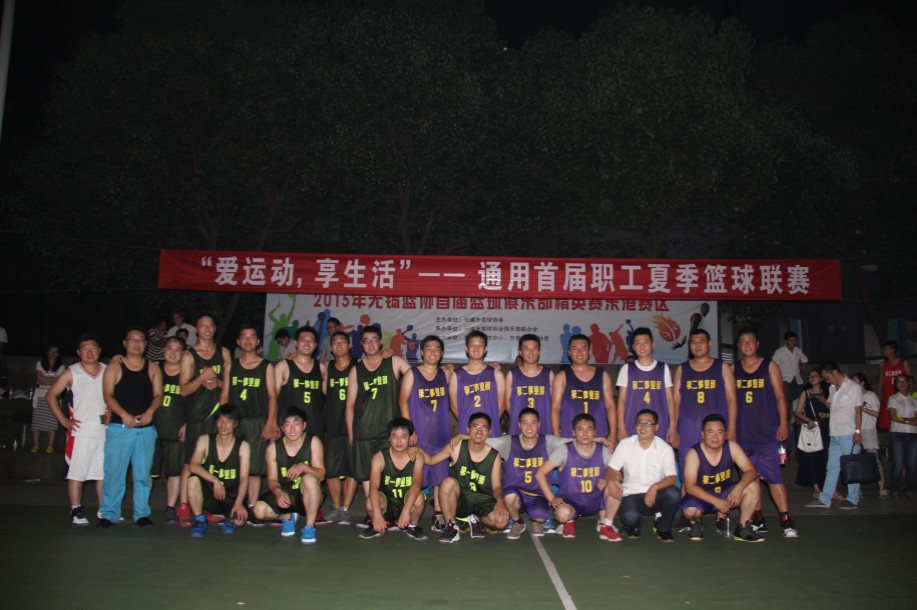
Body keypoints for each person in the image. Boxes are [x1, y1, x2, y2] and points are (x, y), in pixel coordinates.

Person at [732, 328, 798, 537]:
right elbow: (729, 401)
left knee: (774, 478)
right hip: (742, 435)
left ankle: (786, 520)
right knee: (750, 480)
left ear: (757, 343)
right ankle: (758, 518)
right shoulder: (733, 369)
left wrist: (783, 423)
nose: (747, 344)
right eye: (743, 341)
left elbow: (780, 397)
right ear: (738, 346)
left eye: (751, 340)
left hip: (767, 434)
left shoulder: (769, 366)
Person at [346, 325, 412, 526]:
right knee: (367, 475)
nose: (370, 344)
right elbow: (349, 404)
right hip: (363, 431)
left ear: (381, 342)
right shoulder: (356, 369)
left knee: (388, 474)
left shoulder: (393, 362)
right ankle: (372, 512)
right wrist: (351, 432)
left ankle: (391, 512)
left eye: (374, 339)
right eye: (366, 341)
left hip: (389, 433)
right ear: (361, 344)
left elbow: (416, 375)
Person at [98, 326, 163, 527]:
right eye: (132, 339)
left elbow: (159, 395)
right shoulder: (115, 367)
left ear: (146, 344)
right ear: (125, 343)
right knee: (114, 474)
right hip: (120, 429)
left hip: (145, 430)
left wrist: (150, 412)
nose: (136, 343)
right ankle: (109, 513)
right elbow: (108, 395)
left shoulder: (153, 368)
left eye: (140, 339)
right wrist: (123, 415)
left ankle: (142, 513)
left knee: (143, 475)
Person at [46, 333, 107, 526]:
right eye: (85, 348)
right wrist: (63, 420)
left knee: (102, 473)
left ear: (99, 350)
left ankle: (105, 509)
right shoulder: (71, 372)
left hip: (104, 432)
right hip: (80, 432)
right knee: (76, 473)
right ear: (78, 352)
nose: (89, 352)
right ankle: (76, 509)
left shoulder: (108, 370)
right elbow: (51, 395)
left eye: (93, 348)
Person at [176, 313, 231, 527]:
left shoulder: (223, 352)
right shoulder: (189, 355)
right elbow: (183, 390)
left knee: (215, 463)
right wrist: (201, 378)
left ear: (215, 328)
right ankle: (183, 506)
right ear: (196, 329)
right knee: (191, 463)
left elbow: (230, 384)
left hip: (218, 417)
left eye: (210, 325)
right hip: (197, 417)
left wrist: (217, 382)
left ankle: (211, 507)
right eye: (202, 325)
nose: (206, 329)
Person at [221, 323, 279, 519]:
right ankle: (230, 506)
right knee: (232, 466)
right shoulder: (231, 365)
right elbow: (225, 395)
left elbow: (272, 396)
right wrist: (222, 420)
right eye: (244, 337)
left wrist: (270, 423)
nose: (248, 340)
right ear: (238, 341)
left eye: (252, 336)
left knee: (254, 469)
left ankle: (253, 507)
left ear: (258, 341)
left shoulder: (266, 366)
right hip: (234, 421)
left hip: (256, 421)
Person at [486, 407, 569, 539]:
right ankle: (517, 522)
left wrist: (599, 440)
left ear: (539, 425)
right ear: (519, 425)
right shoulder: (509, 442)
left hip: (538, 493)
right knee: (510, 498)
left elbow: (574, 442)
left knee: (540, 517)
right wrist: (462, 437)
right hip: (515, 492)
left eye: (533, 423)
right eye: (525, 423)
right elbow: (481, 440)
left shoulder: (548, 442)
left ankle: (537, 521)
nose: (529, 427)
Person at [427, 412, 509, 543]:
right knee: (447, 483)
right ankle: (451, 526)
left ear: (489, 432)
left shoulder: (494, 456)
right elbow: (431, 460)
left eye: (484, 428)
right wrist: (415, 449)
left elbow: (497, 487)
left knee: (501, 522)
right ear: (468, 429)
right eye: (475, 426)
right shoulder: (456, 447)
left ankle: (476, 519)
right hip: (461, 499)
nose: (479, 431)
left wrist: (500, 502)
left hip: (482, 499)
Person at [399, 334, 453, 532]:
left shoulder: (446, 374)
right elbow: (402, 400)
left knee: (440, 479)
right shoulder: (412, 374)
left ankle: (438, 515)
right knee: (416, 480)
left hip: (441, 435)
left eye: (436, 349)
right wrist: (409, 430)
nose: (432, 352)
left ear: (441, 353)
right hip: (418, 436)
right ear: (421, 352)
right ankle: (410, 513)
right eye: (428, 348)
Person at [681, 414, 763, 542]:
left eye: (719, 432)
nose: (715, 437)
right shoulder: (694, 453)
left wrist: (739, 488)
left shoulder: (732, 447)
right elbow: (690, 487)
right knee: (690, 511)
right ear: (703, 434)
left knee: (753, 487)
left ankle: (743, 527)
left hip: (725, 494)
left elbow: (751, 471)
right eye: (710, 432)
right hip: (702, 497)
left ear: (725, 434)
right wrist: (716, 501)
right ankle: (696, 522)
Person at [252, 407, 325, 544]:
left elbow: (321, 475)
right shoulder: (273, 449)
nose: (292, 429)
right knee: (259, 511)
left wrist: (304, 467)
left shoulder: (313, 442)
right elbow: (272, 480)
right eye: (288, 424)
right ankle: (288, 517)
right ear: (282, 428)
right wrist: (278, 493)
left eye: (296, 424)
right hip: (286, 492)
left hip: (308, 491)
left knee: (309, 478)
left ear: (304, 425)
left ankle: (309, 527)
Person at [605, 409, 680, 542]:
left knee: (673, 494)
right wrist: (611, 482)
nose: (643, 427)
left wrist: (654, 487)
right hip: (631, 493)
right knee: (630, 517)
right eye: (640, 423)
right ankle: (635, 524)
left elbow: (672, 478)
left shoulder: (664, 448)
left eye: (648, 423)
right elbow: (612, 469)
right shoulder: (625, 444)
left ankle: (664, 528)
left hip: (656, 495)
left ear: (656, 427)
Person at [536, 413, 613, 540]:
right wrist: (551, 498)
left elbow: (617, 473)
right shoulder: (564, 450)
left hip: (595, 498)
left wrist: (606, 478)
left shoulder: (603, 451)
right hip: (572, 500)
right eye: (580, 429)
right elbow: (540, 473)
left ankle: (605, 523)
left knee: (613, 485)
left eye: (589, 429)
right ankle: (569, 521)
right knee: (562, 514)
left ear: (594, 432)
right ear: (573, 432)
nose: (585, 433)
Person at [672, 329, 738, 475]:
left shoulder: (722, 367)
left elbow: (732, 399)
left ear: (709, 344)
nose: (697, 345)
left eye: (701, 342)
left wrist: (732, 427)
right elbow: (675, 402)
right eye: (693, 342)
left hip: (715, 430)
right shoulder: (682, 369)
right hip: (688, 429)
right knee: (688, 472)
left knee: (716, 471)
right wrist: (674, 428)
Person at [805, 363, 863, 509]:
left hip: (848, 433)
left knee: (851, 466)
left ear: (835, 372)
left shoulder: (853, 387)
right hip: (835, 433)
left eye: (827, 377)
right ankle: (825, 498)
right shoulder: (832, 388)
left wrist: (857, 432)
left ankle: (853, 498)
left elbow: (858, 411)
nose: (827, 381)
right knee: (832, 467)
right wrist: (826, 405)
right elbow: (833, 407)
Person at [186, 404, 250, 537]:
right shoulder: (205, 440)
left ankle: (228, 517)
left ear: (235, 424)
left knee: (239, 521)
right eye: (220, 419)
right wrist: (215, 480)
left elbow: (244, 478)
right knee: (192, 480)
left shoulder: (243, 446)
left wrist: (239, 503)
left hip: (231, 496)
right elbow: (193, 465)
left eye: (228, 420)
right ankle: (199, 520)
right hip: (212, 493)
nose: (223, 424)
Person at [360, 417, 427, 540]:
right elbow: (373, 486)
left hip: (406, 502)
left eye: (403, 436)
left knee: (419, 497)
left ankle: (412, 526)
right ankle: (377, 523)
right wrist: (377, 514)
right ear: (389, 438)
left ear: (410, 438)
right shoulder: (379, 457)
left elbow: (417, 484)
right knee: (369, 502)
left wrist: (406, 511)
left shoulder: (418, 457)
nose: (399, 441)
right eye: (395, 436)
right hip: (386, 502)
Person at [551, 334, 615, 444]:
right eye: (575, 349)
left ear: (589, 352)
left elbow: (610, 406)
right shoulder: (561, 377)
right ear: (569, 352)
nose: (579, 353)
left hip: (598, 435)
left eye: (583, 349)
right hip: (570, 437)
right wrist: (556, 435)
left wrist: (613, 434)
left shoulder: (602, 375)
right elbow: (555, 408)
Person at [616, 328, 676, 444]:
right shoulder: (627, 369)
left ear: (653, 344)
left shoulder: (663, 368)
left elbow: (670, 399)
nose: (642, 346)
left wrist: (673, 426)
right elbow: (622, 400)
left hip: (659, 426)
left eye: (646, 342)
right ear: (633, 347)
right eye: (638, 343)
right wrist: (621, 427)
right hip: (632, 426)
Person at [323, 330, 358, 524]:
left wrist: (387, 353)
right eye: (334, 342)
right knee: (331, 469)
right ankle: (336, 506)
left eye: (342, 341)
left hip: (354, 427)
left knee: (353, 469)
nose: (338, 345)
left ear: (350, 346)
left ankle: (345, 508)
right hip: (333, 426)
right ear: (330, 348)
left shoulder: (358, 365)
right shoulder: (326, 368)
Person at [153, 336, 188, 524]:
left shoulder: (188, 373)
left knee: (174, 473)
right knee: (147, 472)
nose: (173, 353)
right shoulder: (153, 369)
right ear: (163, 350)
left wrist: (188, 424)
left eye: (177, 349)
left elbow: (195, 402)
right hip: (151, 430)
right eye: (169, 348)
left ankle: (170, 507)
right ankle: (142, 508)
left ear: (183, 353)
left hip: (175, 433)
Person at [449, 330, 505, 439]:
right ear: (466, 348)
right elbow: (454, 407)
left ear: (485, 349)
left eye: (480, 345)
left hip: (491, 431)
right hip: (466, 431)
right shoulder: (457, 375)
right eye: (472, 345)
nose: (476, 348)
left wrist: (487, 426)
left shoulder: (496, 374)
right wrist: (468, 424)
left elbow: (501, 406)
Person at [505, 334, 554, 435]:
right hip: (518, 429)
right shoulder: (512, 375)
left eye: (534, 348)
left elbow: (555, 404)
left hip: (544, 427)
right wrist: (520, 420)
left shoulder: (549, 375)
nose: (531, 352)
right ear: (520, 352)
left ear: (539, 352)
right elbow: (506, 402)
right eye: (527, 348)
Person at [794, 370, 831, 498]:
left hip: (825, 427)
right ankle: (816, 488)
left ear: (821, 378)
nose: (812, 378)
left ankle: (827, 486)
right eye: (810, 376)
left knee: (825, 457)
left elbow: (836, 408)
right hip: (813, 428)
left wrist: (827, 413)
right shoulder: (806, 393)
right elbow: (798, 411)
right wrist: (808, 420)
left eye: (814, 376)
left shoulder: (828, 392)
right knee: (812, 457)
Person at [852, 372, 887, 498]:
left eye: (855, 381)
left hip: (868, 430)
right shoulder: (853, 396)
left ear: (862, 382)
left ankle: (882, 487)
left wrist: (862, 408)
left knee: (874, 459)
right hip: (855, 430)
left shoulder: (871, 396)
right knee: (856, 461)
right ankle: (857, 489)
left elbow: (877, 413)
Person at [886, 374, 917, 498]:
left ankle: (909, 488)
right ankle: (895, 489)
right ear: (895, 384)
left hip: (913, 434)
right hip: (898, 434)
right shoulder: (893, 398)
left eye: (904, 381)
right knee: (898, 464)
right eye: (899, 381)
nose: (902, 384)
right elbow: (894, 417)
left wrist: (904, 419)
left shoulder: (914, 399)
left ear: (909, 383)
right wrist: (910, 420)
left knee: (912, 464)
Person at [31, 345, 65, 453]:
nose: (53, 354)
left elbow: (60, 381)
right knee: (37, 421)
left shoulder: (61, 367)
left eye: (55, 352)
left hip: (53, 396)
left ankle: (50, 445)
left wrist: (47, 379)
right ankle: (35, 445)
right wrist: (53, 379)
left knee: (52, 421)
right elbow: (40, 379)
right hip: (40, 395)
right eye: (51, 351)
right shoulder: (40, 364)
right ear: (47, 352)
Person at [771, 331, 809, 419]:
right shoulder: (779, 352)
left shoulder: (798, 350)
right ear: (786, 341)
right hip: (785, 380)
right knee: (786, 402)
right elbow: (773, 364)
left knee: (801, 399)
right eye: (791, 340)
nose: (793, 343)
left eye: (795, 340)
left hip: (797, 379)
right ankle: (786, 420)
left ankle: (798, 419)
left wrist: (803, 371)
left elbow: (804, 359)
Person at [877, 340, 911, 431]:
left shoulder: (903, 362)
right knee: (887, 423)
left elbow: (910, 380)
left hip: (901, 398)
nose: (883, 351)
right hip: (887, 398)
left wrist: (913, 395)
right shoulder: (883, 364)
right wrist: (878, 395)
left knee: (901, 420)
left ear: (893, 350)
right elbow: (881, 381)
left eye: (886, 349)